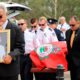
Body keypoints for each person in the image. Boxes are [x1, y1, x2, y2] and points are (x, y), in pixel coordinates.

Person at [0, 4, 24, 80]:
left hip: (10, 71)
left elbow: (21, 48)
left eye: (0, 16)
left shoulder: (15, 29)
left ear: (6, 14)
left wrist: (11, 55)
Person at [66, 16, 80, 80]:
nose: (71, 26)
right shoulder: (68, 32)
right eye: (70, 25)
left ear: (78, 23)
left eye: (73, 25)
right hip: (71, 62)